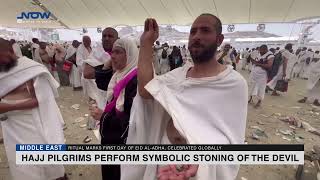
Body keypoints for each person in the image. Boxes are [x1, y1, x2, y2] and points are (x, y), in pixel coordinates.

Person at [122, 14, 247, 180]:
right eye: (193, 31)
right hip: (166, 164)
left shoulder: (233, 83)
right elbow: (146, 91)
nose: (197, 36)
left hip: (202, 169)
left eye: (205, 30)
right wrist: (146, 44)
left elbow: (231, 139)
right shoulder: (177, 76)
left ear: (219, 39)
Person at [0, 38, 66, 180]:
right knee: (23, 170)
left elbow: (43, 103)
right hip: (12, 129)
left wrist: (7, 107)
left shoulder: (32, 70)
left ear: (11, 51)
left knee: (46, 166)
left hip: (35, 126)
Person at [90, 38, 139, 180]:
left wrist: (103, 116)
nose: (112, 56)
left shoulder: (135, 81)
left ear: (129, 55)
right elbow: (100, 80)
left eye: (118, 52)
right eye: (112, 52)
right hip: (111, 138)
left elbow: (132, 122)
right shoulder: (119, 75)